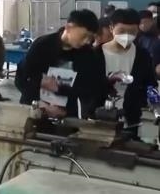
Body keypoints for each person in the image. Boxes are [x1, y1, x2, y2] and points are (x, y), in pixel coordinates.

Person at [16, 9, 104, 119]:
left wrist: (59, 89)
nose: (87, 41)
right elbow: (21, 79)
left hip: (67, 116)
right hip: (35, 112)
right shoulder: (42, 46)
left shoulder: (88, 55)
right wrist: (41, 105)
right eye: (84, 36)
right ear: (68, 28)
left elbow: (91, 88)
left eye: (90, 38)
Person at [94, 9, 156, 139]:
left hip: (130, 121)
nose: (126, 36)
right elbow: (86, 86)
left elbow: (150, 84)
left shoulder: (142, 56)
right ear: (111, 28)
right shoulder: (95, 55)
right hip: (96, 119)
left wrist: (154, 102)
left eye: (132, 32)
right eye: (121, 31)